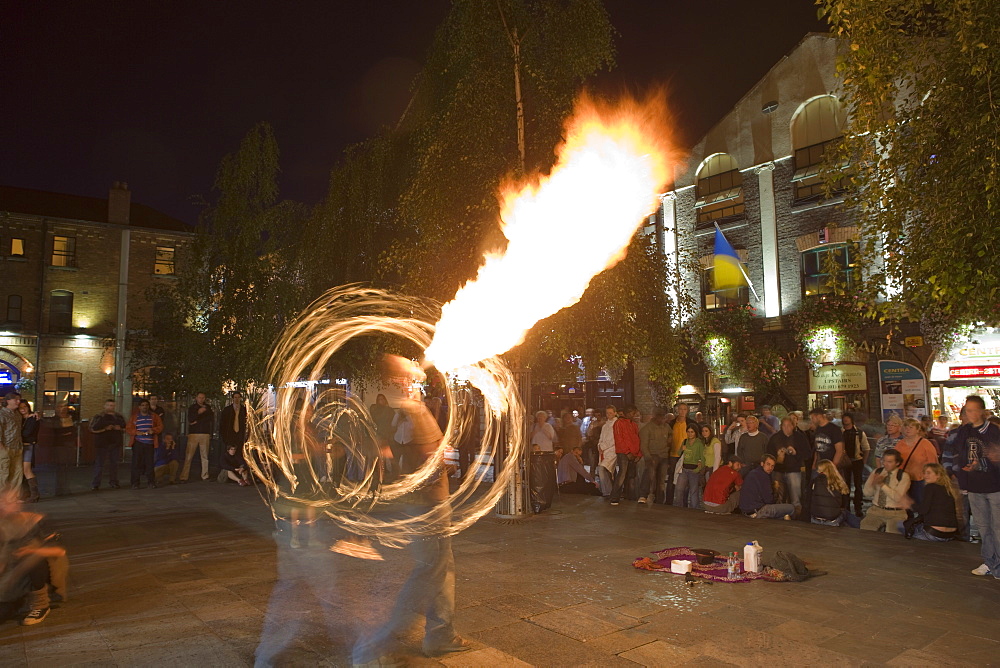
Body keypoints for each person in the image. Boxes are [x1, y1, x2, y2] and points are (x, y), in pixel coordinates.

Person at [954, 395, 1000, 578]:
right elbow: (961, 455)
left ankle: (997, 564)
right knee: (983, 527)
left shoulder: (993, 431)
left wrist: (994, 459)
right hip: (975, 486)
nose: (970, 413)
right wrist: (965, 477)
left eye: (973, 410)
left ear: (982, 411)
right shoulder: (964, 431)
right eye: (967, 410)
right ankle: (990, 562)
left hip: (995, 486)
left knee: (998, 527)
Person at [901, 463, 959, 541]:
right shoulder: (948, 490)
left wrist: (909, 504)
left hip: (934, 533)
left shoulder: (930, 487)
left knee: (899, 525)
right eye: (924, 473)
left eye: (928, 473)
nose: (925, 475)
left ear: (938, 475)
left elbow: (923, 510)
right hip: (950, 534)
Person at [861, 448, 910, 533]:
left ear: (897, 463)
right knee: (865, 529)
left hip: (896, 513)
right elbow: (866, 493)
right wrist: (873, 484)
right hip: (876, 510)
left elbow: (897, 498)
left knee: (893, 534)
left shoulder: (903, 476)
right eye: (884, 461)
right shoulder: (877, 472)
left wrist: (882, 485)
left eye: (889, 462)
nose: (885, 464)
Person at [767, 416, 810, 511]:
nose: (786, 428)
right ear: (781, 426)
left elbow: (807, 454)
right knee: (778, 495)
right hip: (778, 470)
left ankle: (797, 515)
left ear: (793, 426)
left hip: (793, 470)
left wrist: (796, 452)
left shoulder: (799, 437)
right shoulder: (775, 437)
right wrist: (777, 456)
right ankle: (780, 514)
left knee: (796, 497)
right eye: (784, 425)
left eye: (789, 425)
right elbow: (768, 454)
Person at [894, 418, 940, 504]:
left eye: (911, 427)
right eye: (906, 427)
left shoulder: (925, 444)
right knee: (906, 503)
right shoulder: (900, 444)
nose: (908, 429)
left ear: (917, 429)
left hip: (920, 479)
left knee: (921, 503)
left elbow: (933, 463)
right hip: (904, 479)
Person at [738, 454, 794, 519]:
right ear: (762, 464)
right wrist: (775, 490)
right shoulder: (763, 476)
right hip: (758, 510)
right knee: (791, 508)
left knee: (781, 512)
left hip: (746, 511)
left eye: (772, 466)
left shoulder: (753, 473)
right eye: (768, 464)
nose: (770, 468)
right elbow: (768, 500)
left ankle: (782, 516)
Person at [89, 399, 125, 491]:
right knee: (99, 464)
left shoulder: (119, 417)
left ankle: (114, 482)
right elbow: (92, 429)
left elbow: (125, 428)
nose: (110, 407)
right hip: (102, 444)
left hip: (115, 443)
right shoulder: (99, 417)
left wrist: (119, 428)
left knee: (114, 464)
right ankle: (95, 483)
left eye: (112, 405)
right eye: (109, 405)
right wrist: (105, 429)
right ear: (104, 406)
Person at [127, 398, 163, 489]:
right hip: (138, 442)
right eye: (142, 405)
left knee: (149, 463)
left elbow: (160, 426)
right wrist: (136, 432)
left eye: (146, 405)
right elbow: (128, 428)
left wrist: (153, 430)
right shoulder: (135, 417)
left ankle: (151, 482)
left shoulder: (154, 416)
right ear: (139, 407)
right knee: (136, 463)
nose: (144, 407)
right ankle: (135, 483)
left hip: (149, 443)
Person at [638, 409, 671, 504]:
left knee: (661, 478)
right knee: (649, 476)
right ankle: (643, 495)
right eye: (662, 417)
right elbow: (643, 444)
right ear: (657, 417)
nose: (664, 420)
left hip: (664, 455)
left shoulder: (666, 427)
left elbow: (671, 434)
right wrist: (648, 457)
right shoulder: (647, 428)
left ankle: (659, 498)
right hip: (653, 455)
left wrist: (669, 440)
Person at [610, 406, 641, 505]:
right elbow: (619, 439)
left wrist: (638, 454)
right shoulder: (619, 423)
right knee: (622, 474)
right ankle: (615, 496)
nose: (634, 415)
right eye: (632, 413)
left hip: (633, 452)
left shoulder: (634, 425)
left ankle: (630, 495)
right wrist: (627, 452)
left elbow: (637, 439)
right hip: (623, 452)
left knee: (631, 475)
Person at [841, 413, 870, 517]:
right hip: (845, 461)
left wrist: (863, 461)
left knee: (858, 484)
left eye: (847, 418)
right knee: (845, 484)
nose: (845, 420)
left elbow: (866, 448)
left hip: (857, 460)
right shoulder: (841, 432)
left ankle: (858, 506)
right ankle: (846, 506)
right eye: (844, 419)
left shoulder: (859, 432)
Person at [810, 459, 854, 526]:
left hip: (815, 518)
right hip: (832, 520)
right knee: (846, 513)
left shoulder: (815, 482)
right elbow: (844, 503)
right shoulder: (839, 482)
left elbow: (809, 499)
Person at [667, 404, 696, 504]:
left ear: (687, 411)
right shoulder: (671, 423)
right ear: (677, 410)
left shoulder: (691, 423)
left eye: (684, 409)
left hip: (686, 454)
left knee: (685, 478)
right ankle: (669, 501)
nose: (682, 411)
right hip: (673, 454)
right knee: (671, 478)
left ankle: (684, 502)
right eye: (680, 409)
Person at [181, 393, 213, 482]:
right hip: (194, 433)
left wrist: (197, 420)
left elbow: (210, 419)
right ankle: (184, 476)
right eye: (199, 397)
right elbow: (191, 419)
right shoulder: (192, 408)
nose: (201, 399)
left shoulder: (208, 408)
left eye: (203, 397)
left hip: (205, 433)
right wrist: (198, 413)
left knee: (205, 456)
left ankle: (205, 475)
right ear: (196, 398)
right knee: (189, 455)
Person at [674, 425, 708, 508]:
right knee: (679, 489)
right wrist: (682, 449)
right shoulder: (685, 441)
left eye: (692, 432)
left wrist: (698, 469)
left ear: (695, 433)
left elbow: (703, 458)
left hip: (694, 469)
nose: (690, 434)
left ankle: (694, 508)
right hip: (684, 469)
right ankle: (679, 506)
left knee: (694, 491)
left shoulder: (699, 443)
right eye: (688, 432)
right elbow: (678, 454)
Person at [0, 392, 24, 493]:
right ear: (8, 400)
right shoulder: (2, 414)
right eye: (16, 399)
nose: (18, 402)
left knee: (17, 473)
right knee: (4, 473)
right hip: (6, 447)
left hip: (17, 446)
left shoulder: (17, 414)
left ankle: (11, 498)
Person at [18, 400, 40, 503]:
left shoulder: (33, 418)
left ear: (28, 407)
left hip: (28, 446)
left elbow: (28, 433)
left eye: (25, 406)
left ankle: (34, 495)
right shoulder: (19, 419)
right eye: (20, 407)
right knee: (22, 471)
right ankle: (27, 494)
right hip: (21, 447)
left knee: (27, 470)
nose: (22, 409)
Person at [597, 405, 618, 497]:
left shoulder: (616, 424)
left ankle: (608, 491)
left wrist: (603, 446)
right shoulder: (605, 425)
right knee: (606, 471)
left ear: (615, 413)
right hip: (603, 451)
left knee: (603, 468)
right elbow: (601, 438)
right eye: (607, 413)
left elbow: (614, 439)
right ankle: (608, 491)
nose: (608, 415)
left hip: (612, 450)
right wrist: (599, 446)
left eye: (610, 413)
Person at [220, 391, 248, 457]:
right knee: (230, 451)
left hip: (240, 434)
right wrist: (223, 435)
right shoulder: (227, 410)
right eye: (235, 397)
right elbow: (223, 423)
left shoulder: (244, 410)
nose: (237, 399)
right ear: (233, 398)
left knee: (239, 451)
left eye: (238, 397)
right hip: (230, 433)